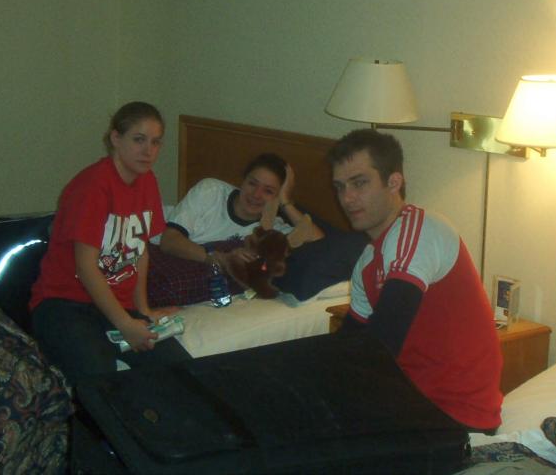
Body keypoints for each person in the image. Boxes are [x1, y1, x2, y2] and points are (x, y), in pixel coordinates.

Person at [328, 128, 503, 432]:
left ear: (393, 182)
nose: (347, 198)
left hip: (456, 415)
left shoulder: (420, 230)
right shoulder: (366, 263)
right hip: (406, 403)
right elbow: (350, 345)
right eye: (340, 187)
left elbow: (383, 342)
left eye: (359, 183)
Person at [29, 101, 189, 386]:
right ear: (116, 138)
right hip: (65, 303)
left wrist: (143, 311)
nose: (148, 151)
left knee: (182, 371)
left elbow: (140, 252)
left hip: (115, 304)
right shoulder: (93, 186)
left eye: (155, 142)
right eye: (138, 140)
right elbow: (85, 267)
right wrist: (125, 324)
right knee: (100, 378)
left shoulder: (147, 181)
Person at [159, 153, 323, 270]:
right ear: (243, 181)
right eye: (252, 183)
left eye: (268, 191)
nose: (256, 194)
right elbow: (169, 240)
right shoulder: (211, 190)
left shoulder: (272, 228)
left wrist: (286, 201)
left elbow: (319, 242)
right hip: (150, 234)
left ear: (277, 197)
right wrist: (219, 259)